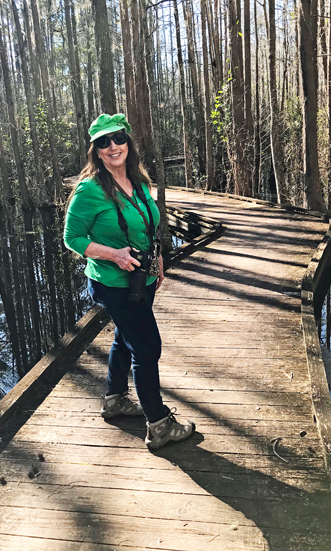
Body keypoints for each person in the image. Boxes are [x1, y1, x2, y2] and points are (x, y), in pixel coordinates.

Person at [64, 113, 195, 450]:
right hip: (113, 283)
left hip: (142, 278)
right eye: (104, 142)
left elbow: (148, 226)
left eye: (118, 138)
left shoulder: (138, 180)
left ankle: (114, 400)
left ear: (128, 142)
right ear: (95, 150)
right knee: (147, 347)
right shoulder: (89, 190)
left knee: (126, 337)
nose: (113, 146)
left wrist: (159, 257)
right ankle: (159, 425)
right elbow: (72, 238)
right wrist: (114, 255)